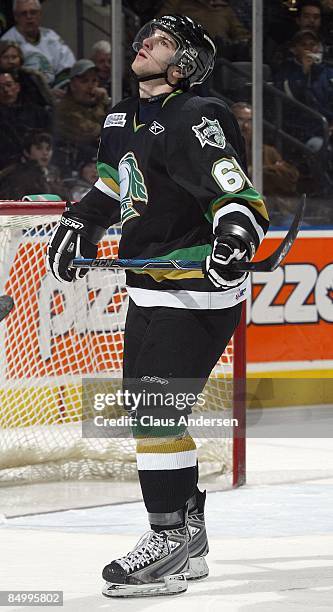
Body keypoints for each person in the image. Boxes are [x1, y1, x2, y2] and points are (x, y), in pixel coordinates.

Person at [46, 15, 269, 598]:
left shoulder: (200, 113)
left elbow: (233, 190)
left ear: (186, 62)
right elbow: (116, 185)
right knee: (153, 414)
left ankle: (166, 542)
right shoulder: (123, 114)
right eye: (144, 35)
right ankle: (188, 538)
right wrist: (81, 221)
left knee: (155, 414)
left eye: (163, 41)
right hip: (148, 287)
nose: (144, 43)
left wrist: (235, 236)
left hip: (195, 289)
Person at [54, 59, 110, 176]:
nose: (91, 87)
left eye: (94, 81)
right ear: (73, 85)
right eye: (85, 81)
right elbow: (90, 132)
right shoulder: (64, 109)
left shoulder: (96, 105)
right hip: (74, 169)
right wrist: (102, 103)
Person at [231, 101, 300, 196]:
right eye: (240, 121)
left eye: (250, 121)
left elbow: (291, 177)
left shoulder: (268, 152)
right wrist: (273, 169)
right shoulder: (223, 152)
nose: (246, 126)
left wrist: (255, 171)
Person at [1, 0, 75, 85]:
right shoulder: (6, 42)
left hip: (55, 92)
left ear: (40, 14)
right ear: (16, 17)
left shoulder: (52, 37)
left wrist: (59, 88)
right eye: (23, 13)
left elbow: (67, 68)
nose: (29, 17)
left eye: (33, 12)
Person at [274, 30, 333, 124]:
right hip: (301, 126)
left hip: (327, 125)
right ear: (295, 49)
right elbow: (291, 98)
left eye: (312, 44)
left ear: (318, 47)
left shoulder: (327, 71)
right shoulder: (286, 71)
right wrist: (304, 72)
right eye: (303, 45)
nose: (308, 48)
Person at [0, 70, 52, 169]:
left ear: (17, 87)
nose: (6, 90)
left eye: (9, 85)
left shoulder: (38, 113)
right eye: (0, 87)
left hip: (40, 163)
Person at [0, 130, 65, 199]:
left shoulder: (53, 173)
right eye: (39, 148)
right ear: (26, 152)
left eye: (48, 149)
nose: (45, 153)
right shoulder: (16, 175)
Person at [0, 40, 53, 107]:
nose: (11, 61)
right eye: (5, 57)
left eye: (14, 57)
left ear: (20, 58)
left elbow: (45, 103)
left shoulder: (32, 77)